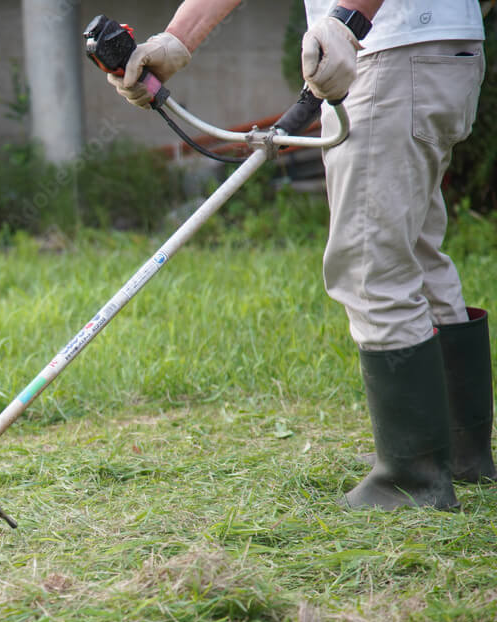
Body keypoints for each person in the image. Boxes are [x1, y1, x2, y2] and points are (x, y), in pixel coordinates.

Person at [108, 1, 493, 509]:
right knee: (413, 253)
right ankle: (457, 456)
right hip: (424, 49)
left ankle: (412, 480)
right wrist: (178, 39)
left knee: (369, 263)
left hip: (394, 48)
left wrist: (348, 17)